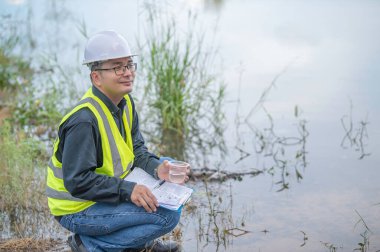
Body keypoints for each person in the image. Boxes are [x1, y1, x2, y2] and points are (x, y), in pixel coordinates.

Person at [46, 30, 190, 252]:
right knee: (167, 216)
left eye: (129, 65)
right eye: (117, 67)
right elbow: (78, 182)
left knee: (168, 167)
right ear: (96, 77)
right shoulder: (84, 121)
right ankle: (89, 244)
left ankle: (136, 241)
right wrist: (128, 190)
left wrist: (157, 168)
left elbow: (137, 150)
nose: (127, 73)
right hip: (77, 208)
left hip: (104, 191)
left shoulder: (125, 102)